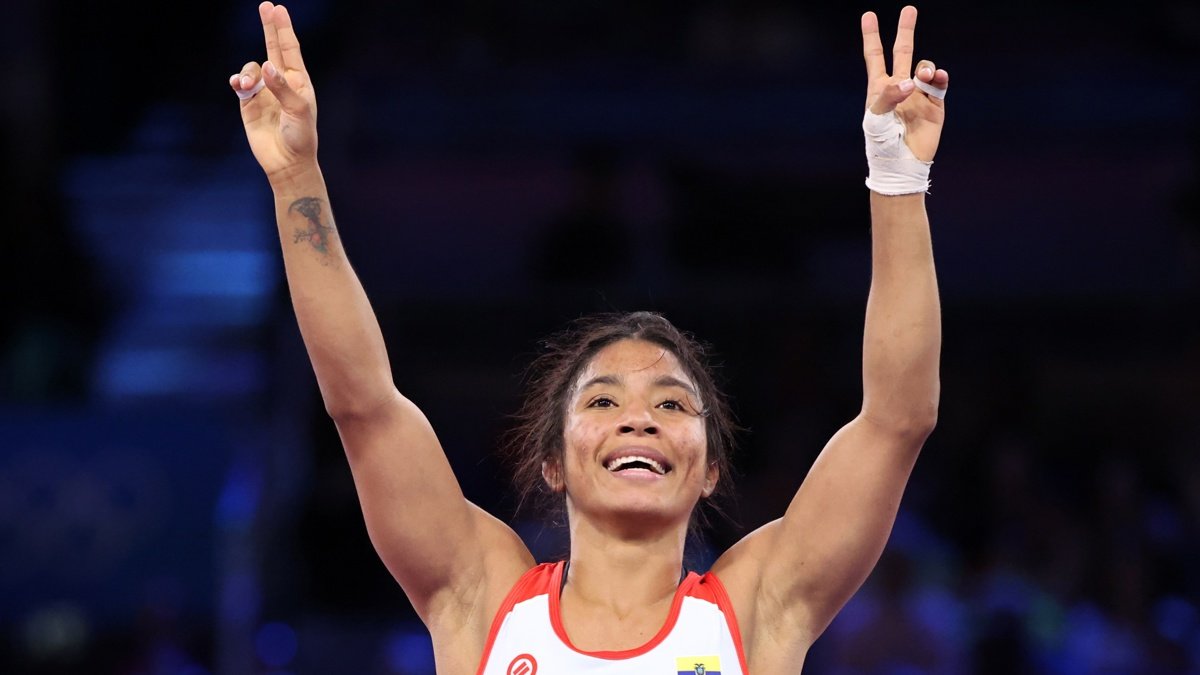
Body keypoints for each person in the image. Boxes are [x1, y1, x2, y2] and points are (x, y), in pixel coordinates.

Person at [229, 2, 948, 672]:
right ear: (551, 461)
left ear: (710, 470)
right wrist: (296, 178)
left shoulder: (758, 606)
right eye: (603, 402)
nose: (639, 415)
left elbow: (896, 420)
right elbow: (363, 404)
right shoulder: (480, 595)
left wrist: (897, 177)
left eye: (671, 404)